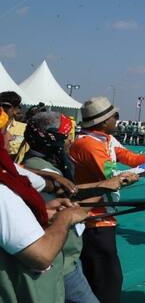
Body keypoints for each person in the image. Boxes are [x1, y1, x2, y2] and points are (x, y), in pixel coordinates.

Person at [69, 97, 145, 303]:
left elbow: (129, 157)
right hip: (93, 219)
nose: (117, 120)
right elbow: (115, 178)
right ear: (103, 122)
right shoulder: (88, 145)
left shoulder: (106, 140)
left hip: (104, 216)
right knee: (107, 280)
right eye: (115, 117)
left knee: (106, 277)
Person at [22, 111, 141, 303]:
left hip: (67, 258)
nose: (70, 142)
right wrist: (105, 185)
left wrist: (108, 184)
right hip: (59, 261)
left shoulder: (45, 166)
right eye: (67, 136)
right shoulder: (39, 168)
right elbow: (70, 196)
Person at [0, 106, 92, 303]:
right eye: (4, 131)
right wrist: (67, 216)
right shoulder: (4, 189)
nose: (10, 137)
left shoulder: (15, 174)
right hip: (54, 271)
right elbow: (42, 256)